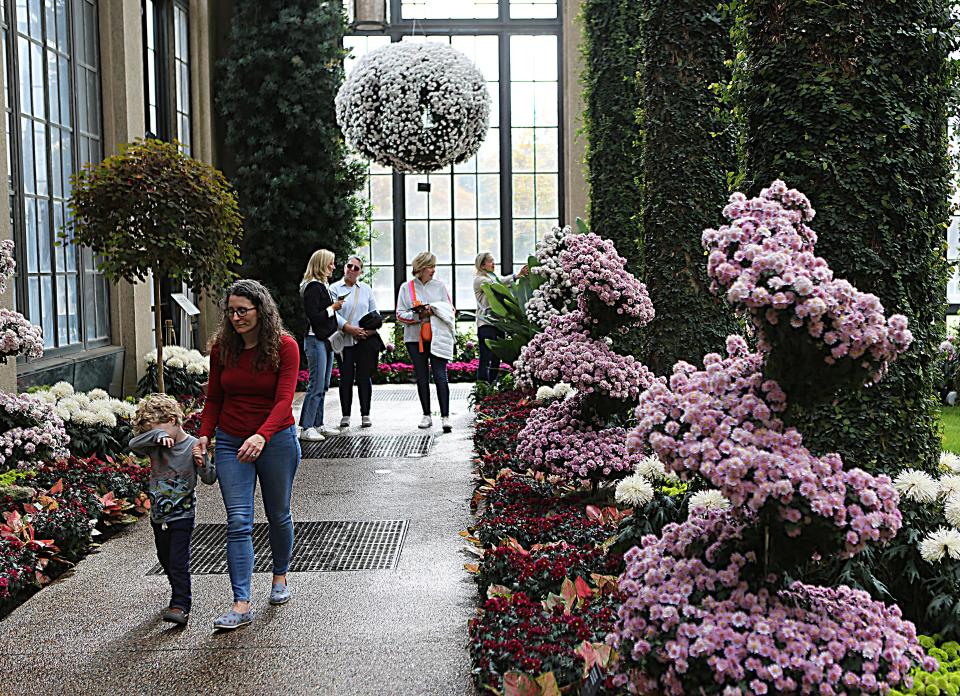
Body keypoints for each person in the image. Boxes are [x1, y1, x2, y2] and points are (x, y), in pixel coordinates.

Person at [195, 279, 301, 631]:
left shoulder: (285, 347)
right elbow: (214, 399)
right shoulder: (222, 349)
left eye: (244, 310)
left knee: (278, 514)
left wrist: (262, 435)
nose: (237, 317)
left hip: (276, 440)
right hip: (230, 441)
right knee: (238, 521)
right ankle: (241, 603)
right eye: (231, 312)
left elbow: (285, 399)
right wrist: (204, 436)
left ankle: (280, 577)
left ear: (261, 310)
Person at [130, 393, 216, 626]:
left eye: (158, 429)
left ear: (173, 420)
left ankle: (180, 604)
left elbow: (209, 479)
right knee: (164, 557)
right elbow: (133, 444)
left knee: (179, 560)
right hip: (159, 515)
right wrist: (156, 434)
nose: (154, 435)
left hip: (183, 514)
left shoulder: (192, 445)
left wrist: (203, 461)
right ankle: (177, 587)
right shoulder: (155, 445)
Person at [396, 252, 456, 433]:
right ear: (421, 268)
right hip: (414, 340)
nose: (433, 270)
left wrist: (434, 310)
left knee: (440, 375)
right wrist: (418, 315)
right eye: (430, 267)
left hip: (437, 338)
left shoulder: (439, 286)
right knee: (422, 376)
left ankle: (445, 416)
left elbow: (450, 309)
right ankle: (426, 415)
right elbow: (399, 314)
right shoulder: (407, 288)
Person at [330, 256, 380, 429]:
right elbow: (332, 313)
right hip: (344, 340)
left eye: (356, 268)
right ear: (344, 267)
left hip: (364, 340)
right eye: (349, 266)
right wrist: (349, 328)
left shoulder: (365, 289)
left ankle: (365, 414)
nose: (352, 269)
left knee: (364, 376)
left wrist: (365, 332)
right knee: (346, 377)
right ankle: (345, 415)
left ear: (360, 272)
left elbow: (374, 313)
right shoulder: (334, 288)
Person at [299, 249, 344, 441]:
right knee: (316, 385)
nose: (333, 267)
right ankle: (307, 426)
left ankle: (318, 423)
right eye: (330, 263)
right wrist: (332, 308)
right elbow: (314, 316)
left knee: (324, 385)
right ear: (321, 264)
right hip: (315, 339)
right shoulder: (313, 287)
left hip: (325, 339)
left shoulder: (322, 286)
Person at [473, 252, 528, 383]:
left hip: (498, 323)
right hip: (486, 323)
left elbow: (499, 281)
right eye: (490, 261)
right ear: (482, 265)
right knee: (486, 357)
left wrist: (518, 276)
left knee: (496, 358)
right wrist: (516, 276)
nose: (493, 264)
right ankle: (482, 387)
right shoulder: (480, 280)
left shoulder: (492, 277)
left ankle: (492, 386)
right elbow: (498, 284)